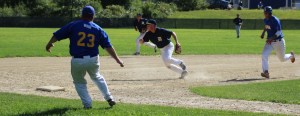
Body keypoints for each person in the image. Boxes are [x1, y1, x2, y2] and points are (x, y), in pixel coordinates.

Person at [45, 6, 124, 109]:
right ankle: (109, 98)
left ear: (82, 15)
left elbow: (58, 34)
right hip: (93, 59)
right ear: (93, 16)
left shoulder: (73, 25)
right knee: (97, 77)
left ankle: (87, 105)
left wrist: (49, 43)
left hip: (77, 60)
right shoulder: (97, 28)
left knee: (79, 82)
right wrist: (118, 60)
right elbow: (108, 46)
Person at [260, 6, 296, 79]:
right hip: (270, 42)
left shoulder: (275, 20)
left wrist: (271, 38)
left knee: (282, 59)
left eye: (265, 12)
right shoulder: (265, 19)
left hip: (279, 42)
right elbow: (266, 26)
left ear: (269, 13)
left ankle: (291, 55)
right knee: (264, 55)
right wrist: (263, 33)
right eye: (264, 12)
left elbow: (279, 32)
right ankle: (266, 72)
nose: (264, 14)